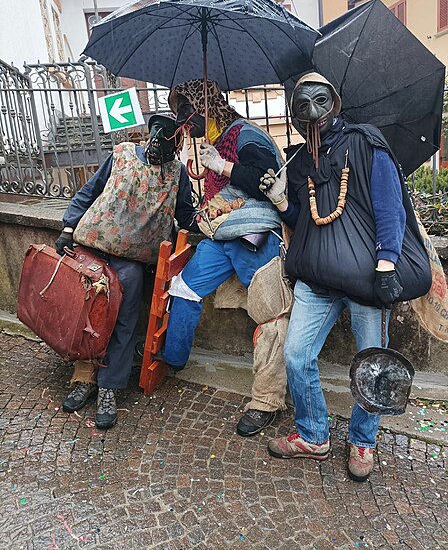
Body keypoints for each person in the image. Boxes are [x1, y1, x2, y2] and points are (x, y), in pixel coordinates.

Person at [259, 72, 431, 481]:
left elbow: (391, 205)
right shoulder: (300, 161)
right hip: (317, 282)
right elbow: (306, 221)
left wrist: (387, 262)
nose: (312, 112)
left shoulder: (365, 142)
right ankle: (314, 435)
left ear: (334, 102)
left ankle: (363, 440)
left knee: (374, 365)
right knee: (297, 356)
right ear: (295, 114)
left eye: (320, 101)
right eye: (302, 105)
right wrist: (281, 198)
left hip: (366, 283)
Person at [154, 79, 289, 436]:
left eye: (186, 110)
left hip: (254, 237)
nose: (182, 120)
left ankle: (267, 400)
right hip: (221, 236)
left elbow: (264, 178)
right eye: (178, 112)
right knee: (184, 287)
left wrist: (224, 166)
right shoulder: (215, 139)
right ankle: (174, 357)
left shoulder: (246, 135)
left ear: (206, 104)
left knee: (271, 314)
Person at [56, 114, 198, 429]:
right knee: (88, 312)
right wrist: (68, 227)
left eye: (170, 138)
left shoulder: (177, 174)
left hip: (132, 260)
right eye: (157, 133)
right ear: (149, 134)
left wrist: (210, 222)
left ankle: (109, 385)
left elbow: (186, 213)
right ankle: (85, 378)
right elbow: (89, 192)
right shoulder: (121, 154)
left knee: (123, 315)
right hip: (93, 247)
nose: (160, 141)